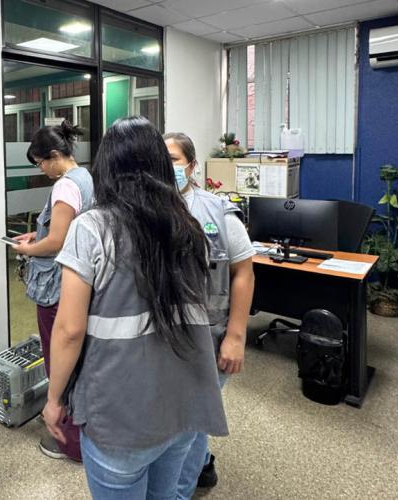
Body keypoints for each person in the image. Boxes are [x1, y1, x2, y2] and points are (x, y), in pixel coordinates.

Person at [42, 117, 228, 499]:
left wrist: (54, 398)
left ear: (107, 167)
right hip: (181, 407)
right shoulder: (188, 225)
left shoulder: (92, 228)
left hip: (121, 414)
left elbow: (69, 330)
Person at [164, 132, 255, 498]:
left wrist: (236, 336)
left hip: (210, 338)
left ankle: (180, 491)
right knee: (180, 419)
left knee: (192, 419)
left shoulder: (216, 211)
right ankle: (198, 469)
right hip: (162, 339)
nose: (168, 167)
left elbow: (244, 272)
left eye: (173, 158)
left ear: (192, 165)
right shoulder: (145, 210)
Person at [12, 121, 93, 461]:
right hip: (79, 281)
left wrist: (27, 249)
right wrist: (36, 235)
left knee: (60, 359)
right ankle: (82, 435)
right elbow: (61, 231)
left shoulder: (64, 187)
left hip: (57, 287)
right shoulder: (85, 178)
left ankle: (68, 441)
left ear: (56, 156)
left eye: (41, 162)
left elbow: (57, 242)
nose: (41, 169)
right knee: (80, 361)